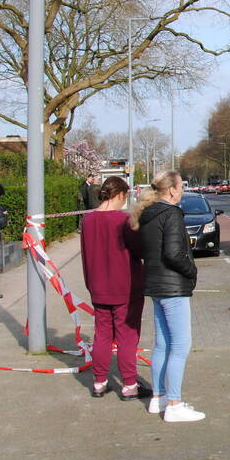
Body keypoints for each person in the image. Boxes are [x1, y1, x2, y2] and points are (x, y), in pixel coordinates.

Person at [134, 170, 204, 422]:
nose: (182, 191)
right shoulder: (172, 213)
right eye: (181, 187)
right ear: (172, 190)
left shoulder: (148, 213)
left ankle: (158, 398)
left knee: (162, 343)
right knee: (180, 345)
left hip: (154, 284)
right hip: (173, 286)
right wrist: (192, 272)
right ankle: (174, 403)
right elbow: (174, 253)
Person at [81, 176, 148, 399]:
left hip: (98, 286)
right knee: (127, 336)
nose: (124, 201)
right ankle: (129, 385)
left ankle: (99, 382)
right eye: (125, 197)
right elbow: (139, 250)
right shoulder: (123, 221)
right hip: (125, 286)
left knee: (102, 334)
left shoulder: (88, 220)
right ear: (119, 194)